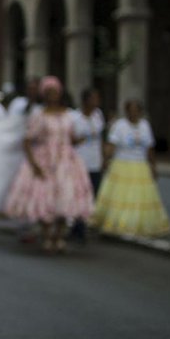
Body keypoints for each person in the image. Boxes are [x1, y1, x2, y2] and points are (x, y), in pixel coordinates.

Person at [4, 75, 94, 253]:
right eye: (49, 92)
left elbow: (71, 137)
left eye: (55, 92)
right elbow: (27, 140)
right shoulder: (39, 116)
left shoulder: (68, 115)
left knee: (65, 197)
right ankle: (46, 235)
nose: (53, 95)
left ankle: (59, 236)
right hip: (45, 160)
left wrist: (80, 140)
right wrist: (34, 164)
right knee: (45, 198)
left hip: (66, 161)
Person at [90, 99, 170, 237]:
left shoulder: (145, 126)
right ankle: (119, 223)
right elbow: (112, 145)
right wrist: (105, 160)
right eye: (131, 110)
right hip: (122, 165)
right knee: (120, 196)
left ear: (140, 112)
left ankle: (137, 224)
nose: (134, 113)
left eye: (136, 110)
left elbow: (149, 148)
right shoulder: (119, 125)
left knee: (139, 197)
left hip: (140, 166)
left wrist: (153, 166)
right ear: (126, 111)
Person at [69, 87, 105, 242]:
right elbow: (68, 140)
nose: (97, 101)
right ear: (85, 100)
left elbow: (101, 138)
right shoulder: (74, 117)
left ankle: (80, 223)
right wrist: (78, 140)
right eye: (93, 98)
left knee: (92, 195)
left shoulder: (98, 115)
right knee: (78, 195)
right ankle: (78, 226)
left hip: (95, 162)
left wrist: (104, 158)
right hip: (79, 162)